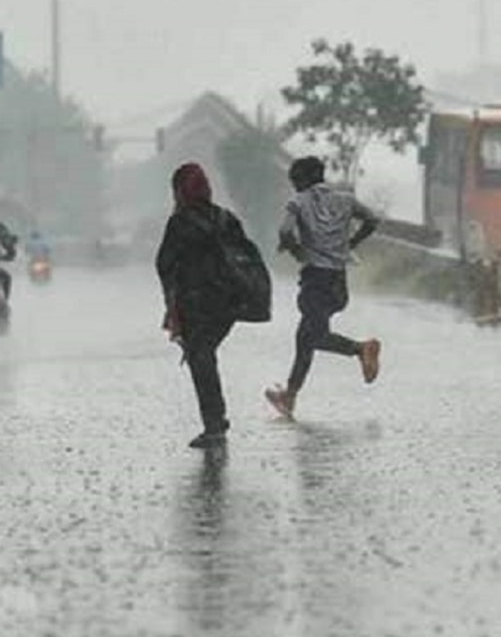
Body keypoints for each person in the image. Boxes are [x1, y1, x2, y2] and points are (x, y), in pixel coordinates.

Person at [264, 155, 381, 420]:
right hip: (339, 282)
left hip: (315, 280)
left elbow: (284, 231)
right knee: (305, 338)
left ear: (303, 180)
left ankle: (361, 349)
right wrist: (350, 243)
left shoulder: (298, 201)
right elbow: (372, 220)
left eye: (295, 182)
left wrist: (296, 251)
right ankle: (289, 396)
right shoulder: (345, 199)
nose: (294, 187)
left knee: (313, 337)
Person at [156, 161, 251, 448]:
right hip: (228, 303)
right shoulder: (226, 218)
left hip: (196, 303)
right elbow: (244, 256)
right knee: (205, 354)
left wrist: (171, 301)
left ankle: (214, 426)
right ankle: (216, 421)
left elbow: (164, 263)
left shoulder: (180, 222)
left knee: (201, 358)